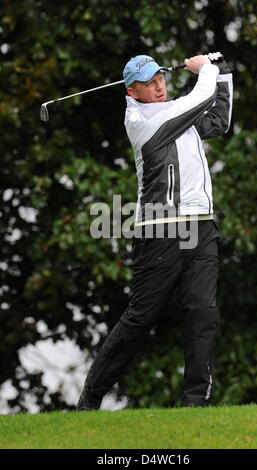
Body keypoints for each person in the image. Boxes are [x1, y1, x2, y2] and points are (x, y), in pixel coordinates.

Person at [77, 52, 233, 410]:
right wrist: (205, 69)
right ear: (133, 92)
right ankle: (91, 396)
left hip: (200, 225)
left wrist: (222, 70)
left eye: (161, 77)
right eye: (149, 83)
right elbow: (201, 97)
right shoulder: (142, 121)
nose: (159, 85)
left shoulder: (179, 112)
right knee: (140, 317)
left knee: (202, 310)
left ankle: (193, 402)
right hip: (159, 229)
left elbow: (219, 120)